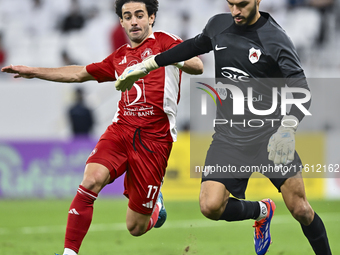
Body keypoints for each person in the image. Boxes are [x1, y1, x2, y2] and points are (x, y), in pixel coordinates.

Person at [115, 0, 332, 254]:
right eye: (231, 4)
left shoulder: (275, 39)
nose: (235, 11)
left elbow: (302, 89)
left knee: (301, 210)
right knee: (210, 206)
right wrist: (147, 65)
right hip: (229, 138)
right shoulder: (219, 25)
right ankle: (262, 211)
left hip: (270, 137)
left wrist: (288, 128)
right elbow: (191, 47)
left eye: (241, 5)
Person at [1, 0, 203, 254]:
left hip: (154, 141)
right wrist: (35, 71)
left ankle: (155, 208)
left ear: (151, 18)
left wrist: (158, 61)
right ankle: (69, 252)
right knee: (91, 179)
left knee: (136, 227)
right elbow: (79, 73)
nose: (133, 21)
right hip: (121, 130)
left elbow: (197, 65)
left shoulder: (165, 41)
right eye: (127, 16)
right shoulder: (119, 57)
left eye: (139, 15)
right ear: (121, 22)